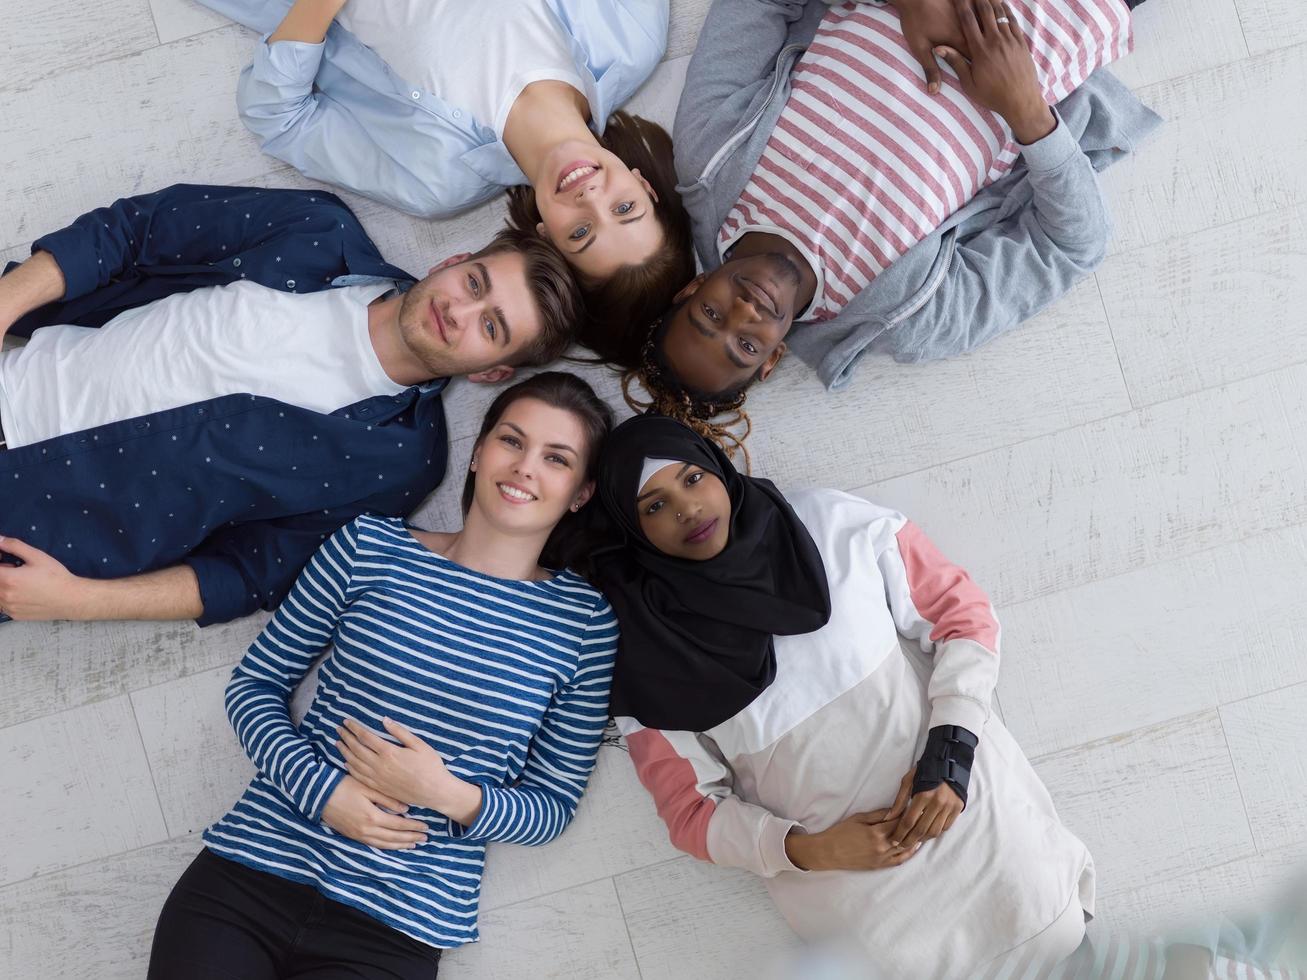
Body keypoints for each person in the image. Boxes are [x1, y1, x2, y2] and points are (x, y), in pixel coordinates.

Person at [584, 414, 1095, 977]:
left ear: (718, 468)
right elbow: (690, 814)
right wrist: (809, 850)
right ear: (632, 532)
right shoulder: (643, 660)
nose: (684, 507)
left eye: (691, 478)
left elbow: (961, 615)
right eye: (653, 506)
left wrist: (949, 757)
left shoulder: (826, 523)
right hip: (865, 911)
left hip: (983, 834)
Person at [146, 372, 619, 979]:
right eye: (511, 440)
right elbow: (255, 686)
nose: (526, 467)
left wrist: (447, 795)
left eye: (557, 458)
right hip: (248, 879)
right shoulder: (368, 546)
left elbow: (552, 806)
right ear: (478, 453)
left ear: (581, 492)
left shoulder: (583, 625)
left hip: (394, 932)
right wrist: (325, 794)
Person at [0, 183, 581, 626]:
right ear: (452, 263)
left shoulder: (398, 464)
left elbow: (252, 572)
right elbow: (134, 231)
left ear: (490, 372)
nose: (460, 312)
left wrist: (79, 601)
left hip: (32, 534)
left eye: (492, 327)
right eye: (476, 285)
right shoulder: (315, 230)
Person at [629, 0, 1161, 452]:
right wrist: (1028, 114)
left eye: (711, 314)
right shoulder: (908, 317)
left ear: (693, 286)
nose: (744, 312)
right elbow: (1071, 243)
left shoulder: (712, 158)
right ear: (772, 359)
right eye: (745, 346)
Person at [197, 0, 696, 363]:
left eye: (581, 234)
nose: (592, 199)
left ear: (545, 235)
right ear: (644, 186)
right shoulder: (631, 34)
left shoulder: (436, 179)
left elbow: (278, 117)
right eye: (625, 209)